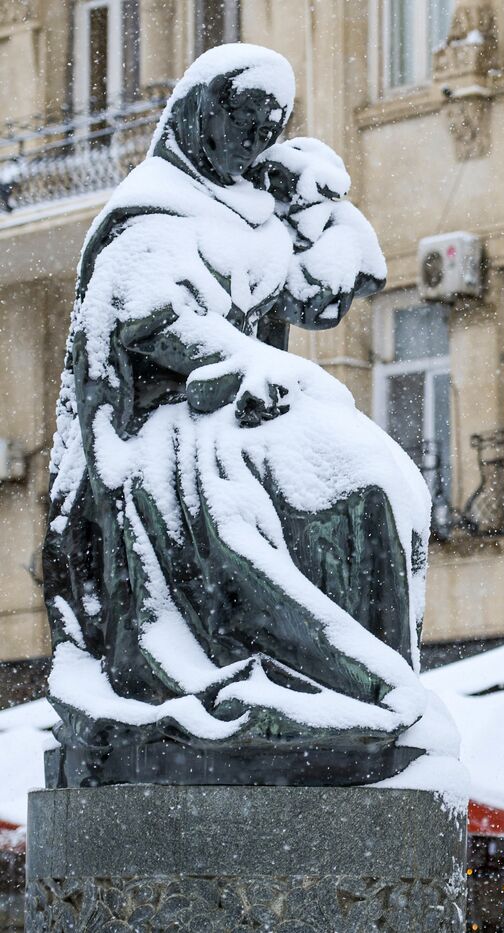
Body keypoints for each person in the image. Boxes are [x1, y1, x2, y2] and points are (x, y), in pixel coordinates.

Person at [43, 44, 442, 787]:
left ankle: (369, 680)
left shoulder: (254, 207)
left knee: (381, 483)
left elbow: (330, 287)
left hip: (254, 408)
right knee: (245, 512)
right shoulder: (149, 210)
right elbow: (153, 323)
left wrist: (323, 205)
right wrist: (246, 361)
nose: (252, 140)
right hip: (171, 431)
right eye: (242, 121)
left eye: (268, 126)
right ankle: (312, 674)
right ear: (202, 115)